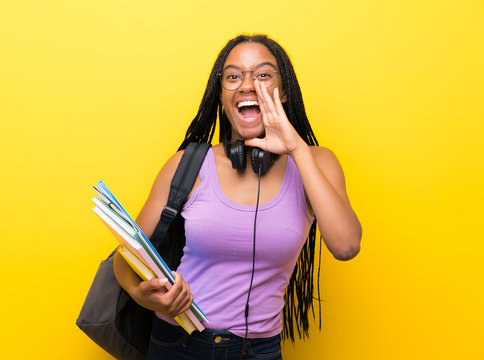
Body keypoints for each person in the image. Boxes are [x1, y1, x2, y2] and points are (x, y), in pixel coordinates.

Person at [113, 34, 362, 360]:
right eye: (233, 76)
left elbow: (346, 246)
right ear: (221, 95)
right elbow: (125, 257)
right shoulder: (188, 165)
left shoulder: (317, 163)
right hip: (177, 344)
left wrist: (296, 148)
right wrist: (143, 296)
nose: (247, 84)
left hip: (260, 351)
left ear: (283, 92)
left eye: (262, 74)